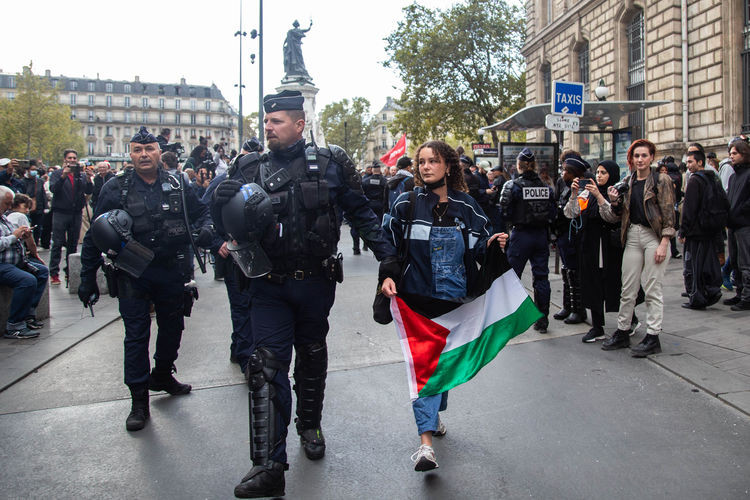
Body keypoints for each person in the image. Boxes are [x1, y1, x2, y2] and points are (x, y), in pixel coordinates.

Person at [209, 90, 396, 498]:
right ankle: (269, 465)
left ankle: (309, 424)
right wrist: (218, 206)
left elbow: (361, 211)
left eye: (277, 121)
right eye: (267, 121)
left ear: (299, 123)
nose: (269, 127)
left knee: (311, 355)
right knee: (267, 365)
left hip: (316, 281)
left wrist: (389, 257)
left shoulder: (331, 163)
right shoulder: (247, 166)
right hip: (268, 284)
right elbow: (221, 223)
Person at [378, 140, 504, 472]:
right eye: (421, 162)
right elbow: (387, 243)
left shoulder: (468, 207)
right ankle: (425, 445)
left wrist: (493, 244)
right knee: (427, 367)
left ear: (448, 166)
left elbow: (479, 248)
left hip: (457, 301)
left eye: (433, 161)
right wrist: (388, 275)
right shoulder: (405, 203)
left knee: (444, 364)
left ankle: (433, 415)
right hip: (416, 300)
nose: (426, 166)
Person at [78, 126, 213, 432]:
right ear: (130, 154)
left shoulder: (178, 183)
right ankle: (138, 399)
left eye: (149, 149)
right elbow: (95, 235)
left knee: (173, 327)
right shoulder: (116, 187)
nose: (143, 155)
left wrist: (207, 230)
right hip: (132, 272)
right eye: (137, 150)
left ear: (158, 151)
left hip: (170, 269)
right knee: (136, 335)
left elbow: (202, 211)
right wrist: (88, 277)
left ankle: (162, 374)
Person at [600, 139, 676, 357]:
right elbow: (618, 216)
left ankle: (653, 336)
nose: (640, 159)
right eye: (636, 156)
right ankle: (623, 331)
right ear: (631, 159)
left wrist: (664, 242)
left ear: (651, 157)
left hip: (655, 236)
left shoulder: (661, 180)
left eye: (644, 155)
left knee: (653, 288)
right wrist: (614, 201)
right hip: (633, 235)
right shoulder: (629, 181)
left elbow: (670, 214)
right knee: (628, 288)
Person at [564, 161, 627, 342]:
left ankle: (630, 320)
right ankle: (597, 326)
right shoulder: (587, 192)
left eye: (604, 172)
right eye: (598, 172)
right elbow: (571, 213)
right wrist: (574, 194)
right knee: (592, 285)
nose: (599, 176)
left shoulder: (615, 192)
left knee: (614, 286)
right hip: (589, 245)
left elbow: (612, 216)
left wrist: (599, 195)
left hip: (609, 247)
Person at [499, 147, 556, 332]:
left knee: (512, 278)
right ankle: (543, 318)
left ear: (519, 165)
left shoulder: (513, 186)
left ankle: (512, 318)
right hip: (541, 236)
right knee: (541, 277)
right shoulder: (546, 187)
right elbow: (553, 213)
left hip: (521, 235)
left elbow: (504, 211)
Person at [678, 149, 725, 309]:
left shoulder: (695, 180)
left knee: (693, 265)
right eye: (688, 162)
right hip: (709, 229)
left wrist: (683, 230)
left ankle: (698, 298)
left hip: (696, 231)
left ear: (700, 162)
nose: (688, 165)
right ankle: (711, 289)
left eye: (691, 161)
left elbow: (689, 209)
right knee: (707, 263)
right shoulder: (712, 178)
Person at [0, 186, 48, 339]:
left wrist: (22, 234)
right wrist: (14, 236)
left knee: (41, 272)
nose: (9, 207)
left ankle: (28, 314)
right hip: (2, 264)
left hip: (15, 261)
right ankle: (15, 325)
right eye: (6, 204)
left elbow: (12, 237)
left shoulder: (3, 218)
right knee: (27, 280)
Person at [553, 152, 592, 325]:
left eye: (565, 169)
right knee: (566, 270)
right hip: (563, 232)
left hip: (575, 233)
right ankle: (567, 305)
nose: (562, 172)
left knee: (574, 272)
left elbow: (576, 211)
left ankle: (578, 308)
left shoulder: (582, 187)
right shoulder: (562, 183)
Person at [48, 149, 93, 285]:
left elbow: (89, 191)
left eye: (74, 158)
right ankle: (54, 273)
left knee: (73, 244)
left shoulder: (80, 174)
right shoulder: (56, 174)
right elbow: (53, 189)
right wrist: (63, 176)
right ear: (65, 159)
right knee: (57, 243)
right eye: (70, 158)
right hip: (60, 212)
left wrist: (89, 179)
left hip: (76, 213)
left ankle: (69, 271)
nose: (72, 160)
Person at [724, 137, 750, 310]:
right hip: (732, 225)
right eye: (730, 153)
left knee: (745, 262)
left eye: (734, 153)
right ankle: (740, 292)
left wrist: (740, 211)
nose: (731, 156)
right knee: (735, 261)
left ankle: (747, 297)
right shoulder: (734, 176)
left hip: (745, 225)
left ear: (744, 154)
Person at [354, 161, 386, 254]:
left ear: (372, 170)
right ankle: (378, 244)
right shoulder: (384, 181)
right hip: (380, 205)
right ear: (380, 170)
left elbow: (362, 193)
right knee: (379, 224)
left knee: (368, 223)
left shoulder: (365, 181)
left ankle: (365, 243)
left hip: (369, 204)